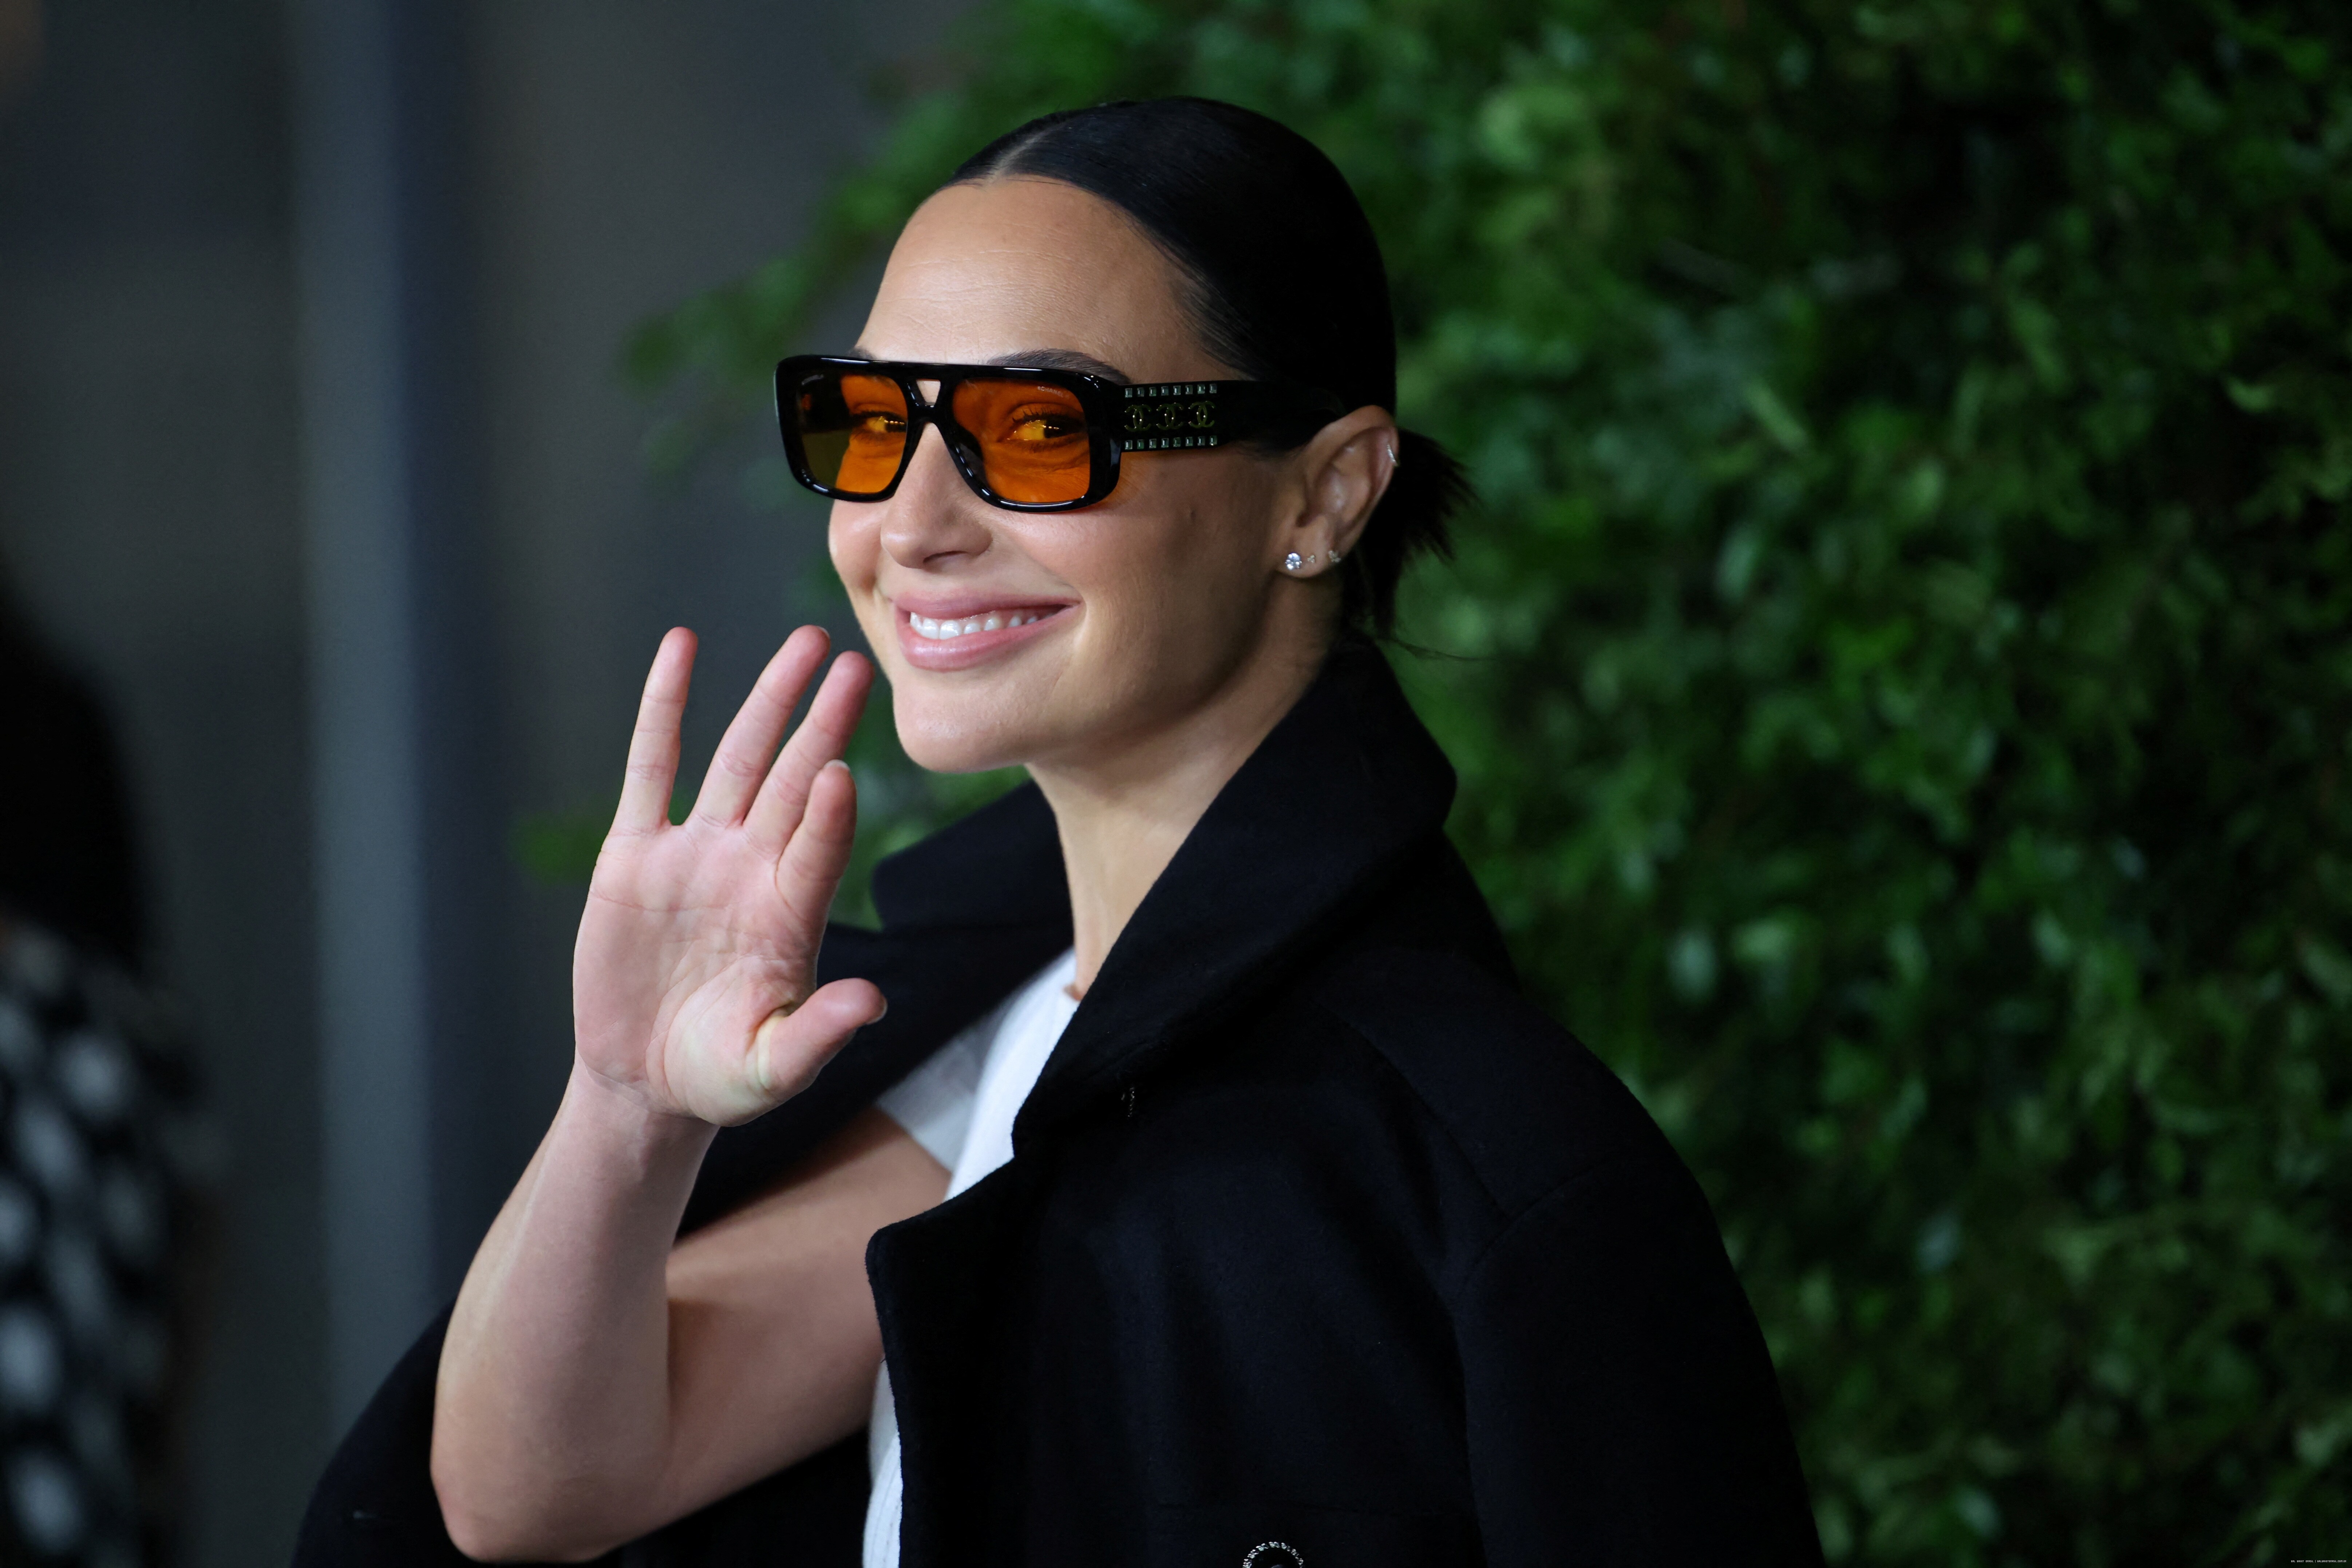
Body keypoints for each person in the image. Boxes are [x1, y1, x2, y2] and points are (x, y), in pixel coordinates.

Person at [297, 98, 1822, 1567]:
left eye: (1037, 427)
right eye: (873, 421)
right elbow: (529, 1491)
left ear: (1327, 493)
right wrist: (630, 1106)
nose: (911, 524)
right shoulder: (1006, 1044)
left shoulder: (1488, 1163)